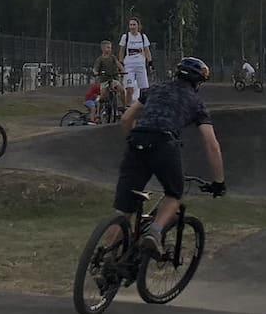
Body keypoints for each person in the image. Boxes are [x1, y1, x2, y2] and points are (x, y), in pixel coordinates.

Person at [108, 56, 226, 258]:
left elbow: (127, 118)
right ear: (197, 82)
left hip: (137, 141)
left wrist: (134, 141)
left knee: (124, 211)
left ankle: (106, 258)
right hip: (164, 143)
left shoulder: (155, 89)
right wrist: (219, 182)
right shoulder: (196, 102)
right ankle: (154, 234)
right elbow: (211, 144)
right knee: (174, 194)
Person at [120, 17, 153, 106]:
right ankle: (128, 108)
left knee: (144, 89)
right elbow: (122, 51)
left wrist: (150, 62)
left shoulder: (142, 37)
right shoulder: (125, 37)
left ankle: (143, 108)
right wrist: (121, 63)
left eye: (134, 25)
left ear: (138, 26)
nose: (132, 27)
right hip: (129, 65)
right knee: (129, 88)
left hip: (140, 65)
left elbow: (147, 51)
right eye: (130, 25)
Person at [95, 39, 123, 119]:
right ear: (103, 49)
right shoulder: (100, 59)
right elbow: (95, 69)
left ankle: (122, 107)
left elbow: (119, 65)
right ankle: (98, 113)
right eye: (108, 47)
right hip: (104, 80)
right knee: (103, 96)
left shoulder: (113, 57)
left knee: (121, 89)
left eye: (110, 48)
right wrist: (96, 72)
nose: (109, 49)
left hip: (113, 78)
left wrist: (123, 70)